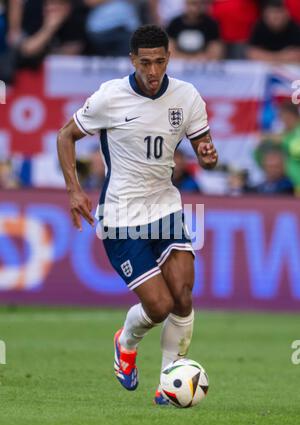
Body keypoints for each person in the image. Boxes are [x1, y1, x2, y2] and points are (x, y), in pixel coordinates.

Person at [57, 24, 218, 405]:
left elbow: (204, 149)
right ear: (132, 60)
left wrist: (209, 157)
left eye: (159, 62)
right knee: (159, 306)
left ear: (168, 58)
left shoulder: (187, 96)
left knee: (182, 295)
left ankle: (167, 383)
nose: (152, 71)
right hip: (121, 215)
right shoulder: (110, 97)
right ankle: (125, 342)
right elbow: (65, 136)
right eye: (144, 62)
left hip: (165, 207)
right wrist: (74, 189)